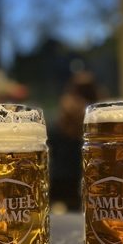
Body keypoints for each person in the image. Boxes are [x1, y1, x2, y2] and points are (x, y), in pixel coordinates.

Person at [49, 71, 102, 211]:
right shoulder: (96, 113)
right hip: (83, 174)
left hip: (60, 176)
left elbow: (52, 142)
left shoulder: (65, 108)